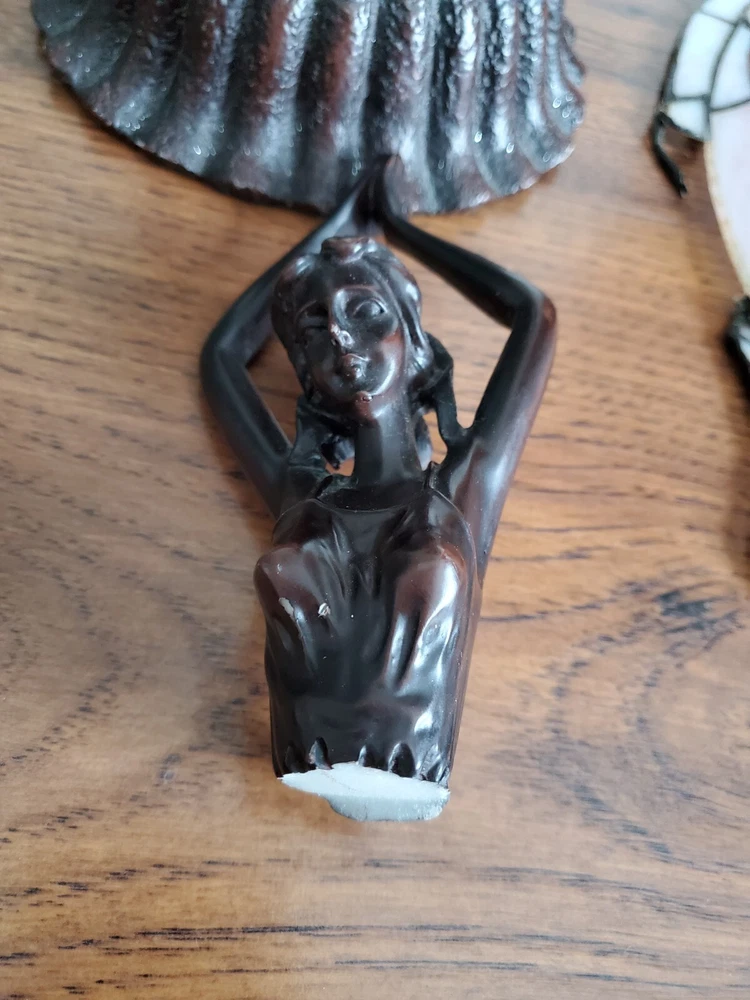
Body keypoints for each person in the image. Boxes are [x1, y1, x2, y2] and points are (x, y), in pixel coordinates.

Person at [201, 166, 556, 820]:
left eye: (365, 312)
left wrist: (396, 227)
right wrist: (338, 226)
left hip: (414, 770)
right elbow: (221, 358)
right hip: (302, 762)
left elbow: (535, 317)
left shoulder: (465, 489)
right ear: (307, 374)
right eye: (314, 329)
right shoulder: (301, 495)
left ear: (412, 339)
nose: (340, 336)